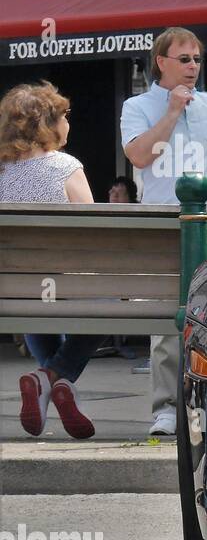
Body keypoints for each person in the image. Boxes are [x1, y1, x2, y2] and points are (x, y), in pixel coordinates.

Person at [120, 26, 207, 436]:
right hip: (164, 220)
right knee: (166, 312)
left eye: (197, 59)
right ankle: (166, 407)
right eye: (184, 59)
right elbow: (139, 154)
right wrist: (171, 113)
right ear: (161, 62)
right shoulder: (138, 105)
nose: (193, 67)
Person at [0, 82, 99, 438]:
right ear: (47, 123)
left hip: (14, 291)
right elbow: (93, 232)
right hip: (64, 284)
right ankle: (50, 378)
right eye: (66, 116)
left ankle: (48, 382)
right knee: (110, 306)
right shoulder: (65, 166)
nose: (69, 124)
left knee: (34, 295)